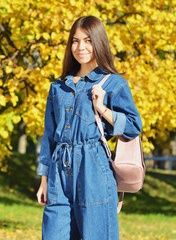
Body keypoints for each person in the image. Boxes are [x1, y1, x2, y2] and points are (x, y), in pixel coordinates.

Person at [36, 15, 142, 240]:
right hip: (58, 172)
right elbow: (49, 136)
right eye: (75, 41)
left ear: (98, 42)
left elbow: (134, 126)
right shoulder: (58, 87)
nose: (80, 47)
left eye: (87, 40)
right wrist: (44, 180)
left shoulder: (113, 83)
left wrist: (102, 108)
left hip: (93, 169)